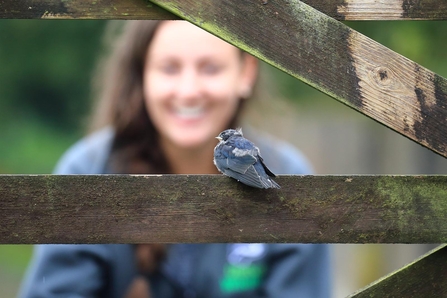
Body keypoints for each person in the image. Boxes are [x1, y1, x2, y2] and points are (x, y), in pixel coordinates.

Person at [20, 20, 331, 298]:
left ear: (246, 72)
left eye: (210, 68)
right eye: (169, 68)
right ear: (142, 74)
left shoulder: (286, 175)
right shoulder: (86, 172)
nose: (188, 91)